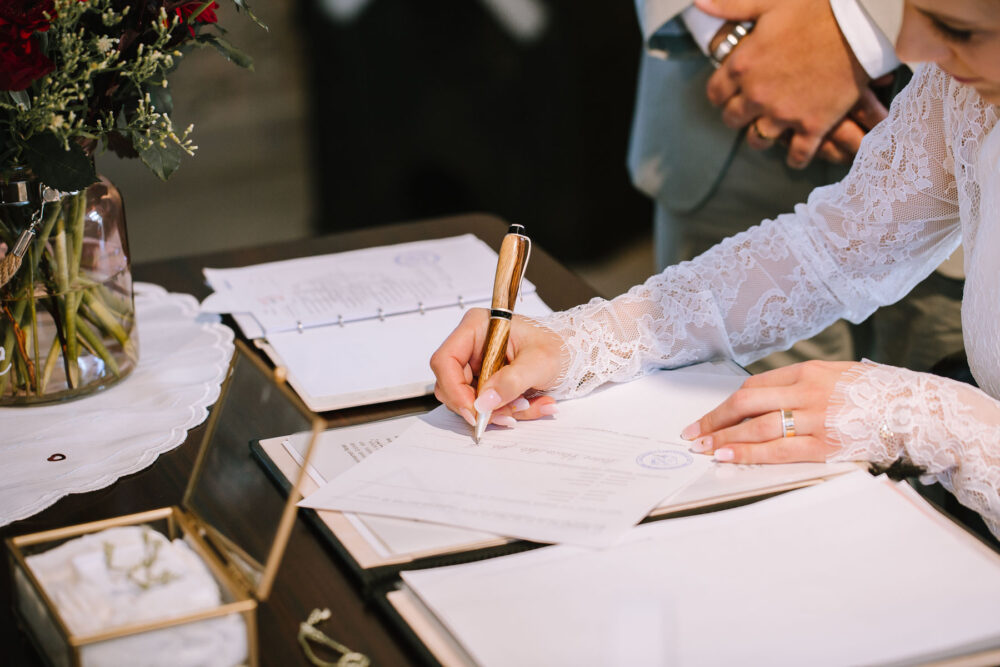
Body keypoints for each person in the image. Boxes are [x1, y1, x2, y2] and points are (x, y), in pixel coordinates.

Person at [429, 0, 1000, 536]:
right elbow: (830, 250)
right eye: (910, 9)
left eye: (958, 29)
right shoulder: (962, 90)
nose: (913, 49)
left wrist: (925, 418)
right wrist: (582, 342)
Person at [630, 0, 965, 372]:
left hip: (961, 139)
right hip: (725, 131)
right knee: (707, 400)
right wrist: (729, 36)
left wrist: (858, 34)